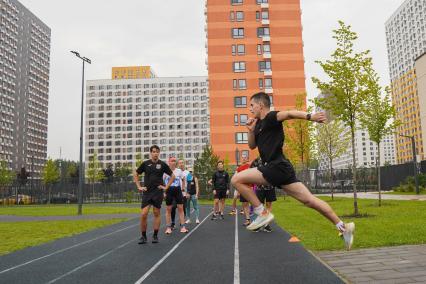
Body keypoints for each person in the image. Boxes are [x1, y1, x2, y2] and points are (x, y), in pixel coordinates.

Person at [231, 92, 355, 250]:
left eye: (252, 105)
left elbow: (289, 113)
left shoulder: (271, 117)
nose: (250, 109)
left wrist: (311, 116)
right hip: (282, 169)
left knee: (236, 179)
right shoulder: (259, 124)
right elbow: (252, 146)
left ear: (260, 105)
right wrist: (250, 130)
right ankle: (344, 228)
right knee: (309, 200)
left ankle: (262, 212)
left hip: (275, 166)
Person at [133, 145, 175, 244]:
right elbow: (136, 173)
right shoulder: (145, 164)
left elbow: (172, 176)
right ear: (151, 153)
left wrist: (166, 187)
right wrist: (139, 186)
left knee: (156, 213)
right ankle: (143, 236)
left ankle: (155, 236)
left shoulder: (163, 164)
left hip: (157, 192)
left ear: (159, 152)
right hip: (147, 192)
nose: (155, 153)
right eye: (153, 151)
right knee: (143, 214)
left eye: (157, 151)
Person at [164, 157, 188, 234]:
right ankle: (168, 228)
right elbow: (161, 181)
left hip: (177, 190)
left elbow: (184, 179)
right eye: (172, 161)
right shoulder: (165, 171)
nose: (173, 162)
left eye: (174, 161)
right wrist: (163, 191)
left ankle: (183, 227)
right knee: (168, 209)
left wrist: (183, 188)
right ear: (169, 162)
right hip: (169, 191)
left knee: (181, 209)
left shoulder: (179, 171)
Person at [251, 157, 276, 233]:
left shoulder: (273, 160)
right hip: (260, 187)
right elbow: (251, 171)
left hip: (270, 186)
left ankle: (266, 225)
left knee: (268, 205)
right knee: (259, 206)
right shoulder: (257, 160)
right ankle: (258, 225)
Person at [236, 156, 251, 226]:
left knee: (250, 203)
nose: (244, 159)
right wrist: (238, 190)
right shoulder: (239, 169)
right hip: (242, 188)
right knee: (244, 204)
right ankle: (248, 219)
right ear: (241, 159)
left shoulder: (250, 166)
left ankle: (251, 219)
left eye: (245, 158)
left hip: (250, 188)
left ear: (247, 159)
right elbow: (236, 180)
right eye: (243, 158)